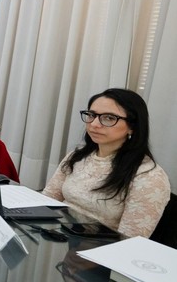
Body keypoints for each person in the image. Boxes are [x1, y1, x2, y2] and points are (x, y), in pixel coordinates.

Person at [42, 88, 170, 238]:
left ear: (132, 127)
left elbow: (129, 241)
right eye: (91, 115)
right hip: (62, 239)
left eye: (109, 118)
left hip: (101, 252)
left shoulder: (148, 177)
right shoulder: (77, 156)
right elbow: (47, 200)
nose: (94, 124)